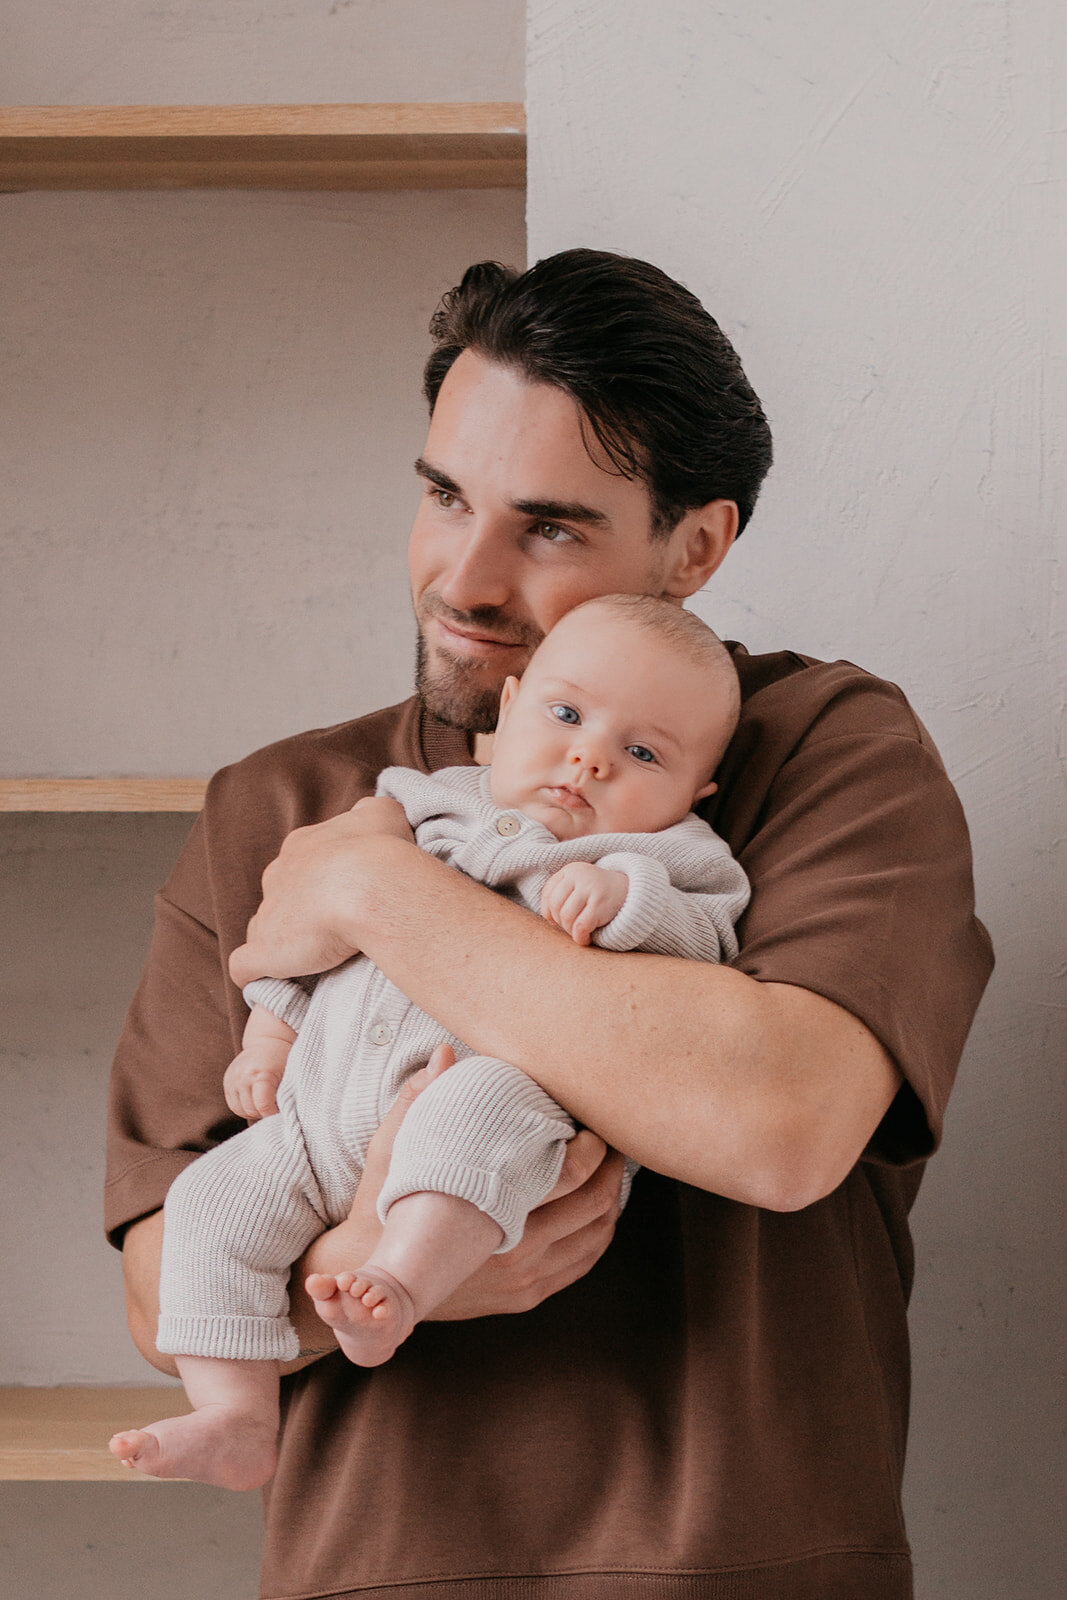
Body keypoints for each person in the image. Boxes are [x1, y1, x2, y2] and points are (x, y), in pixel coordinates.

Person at [107, 249, 993, 1600]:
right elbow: (160, 1282)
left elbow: (780, 1119)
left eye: (550, 527)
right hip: (370, 1570)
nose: (463, 578)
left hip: (741, 1572)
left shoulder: (823, 750)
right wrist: (371, 1270)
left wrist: (374, 892)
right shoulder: (273, 802)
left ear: (692, 546)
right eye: (440, 495)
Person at [108, 596, 750, 1490]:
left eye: (642, 754)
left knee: (469, 1125)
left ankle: (401, 1282)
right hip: (312, 1119)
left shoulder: (673, 854)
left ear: (694, 794)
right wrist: (269, 1034)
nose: (588, 757)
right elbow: (308, 939)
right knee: (210, 1205)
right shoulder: (416, 808)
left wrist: (623, 895)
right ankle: (235, 1415)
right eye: (564, 716)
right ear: (510, 710)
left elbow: (707, 942)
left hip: (483, 1089)